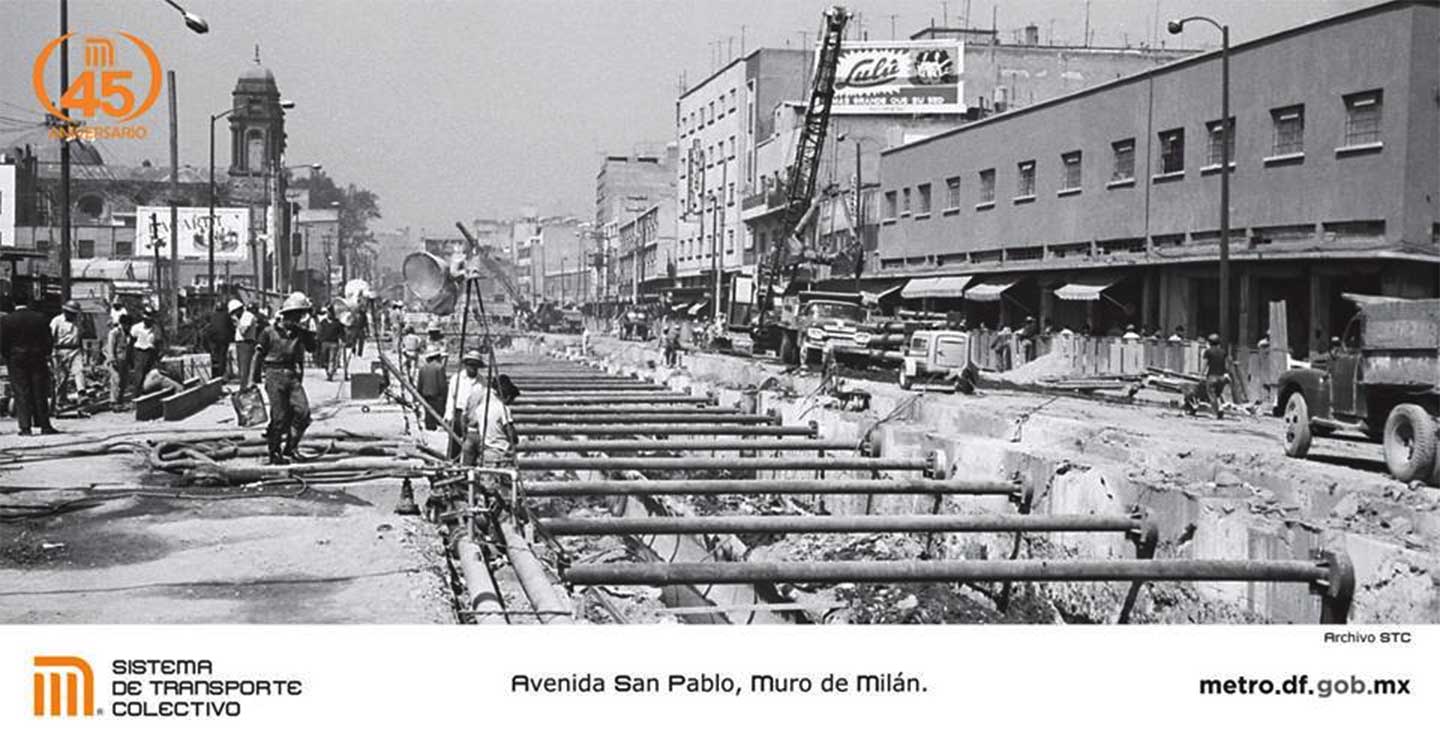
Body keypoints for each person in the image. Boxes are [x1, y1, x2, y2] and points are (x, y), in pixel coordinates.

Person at [252, 292, 318, 464]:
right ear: (286, 315)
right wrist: (253, 378)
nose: (296, 320)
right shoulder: (268, 332)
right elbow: (258, 355)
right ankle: (274, 452)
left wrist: (310, 328)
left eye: (300, 316)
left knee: (303, 413)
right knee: (280, 417)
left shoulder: (299, 332)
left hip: (291, 375)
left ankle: (291, 448)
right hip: (274, 375)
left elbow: (313, 347)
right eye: (295, 316)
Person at [0, 292, 58, 435]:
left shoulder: (7, 320)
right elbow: (48, 340)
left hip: (16, 358)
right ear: (29, 302)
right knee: (39, 390)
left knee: (21, 391)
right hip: (37, 357)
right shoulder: (40, 318)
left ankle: (25, 427)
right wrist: (45, 353)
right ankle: (44, 425)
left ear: (14, 303)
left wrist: (8, 356)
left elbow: (2, 342)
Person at [462, 373, 515, 467]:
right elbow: (510, 432)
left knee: (468, 466)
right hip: (489, 440)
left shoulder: (478, 392)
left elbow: (466, 416)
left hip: (474, 433)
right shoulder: (499, 404)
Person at [444, 349, 485, 460]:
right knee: (454, 445)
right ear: (466, 365)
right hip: (458, 413)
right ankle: (453, 466)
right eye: (470, 364)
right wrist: (449, 416)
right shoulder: (456, 379)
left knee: (472, 445)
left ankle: (470, 468)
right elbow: (450, 398)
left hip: (474, 416)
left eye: (475, 365)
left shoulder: (482, 382)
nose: (472, 367)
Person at [50, 300, 86, 404]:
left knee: (79, 370)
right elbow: (51, 336)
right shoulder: (57, 321)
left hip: (75, 349)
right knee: (61, 377)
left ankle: (81, 393)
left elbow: (80, 336)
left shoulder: (78, 321)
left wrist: (82, 351)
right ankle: (60, 400)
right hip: (60, 350)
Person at [128, 309, 161, 399]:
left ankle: (146, 394)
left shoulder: (156, 329)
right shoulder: (136, 328)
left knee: (149, 375)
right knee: (139, 375)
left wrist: (157, 356)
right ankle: (136, 397)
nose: (148, 322)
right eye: (146, 320)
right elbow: (131, 341)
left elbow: (157, 343)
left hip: (150, 353)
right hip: (139, 352)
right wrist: (130, 356)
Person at [416, 347, 448, 431]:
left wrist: (418, 397)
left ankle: (430, 426)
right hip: (437, 396)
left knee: (428, 414)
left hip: (426, 396)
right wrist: (446, 396)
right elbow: (442, 385)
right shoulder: (439, 367)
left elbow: (420, 383)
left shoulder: (423, 368)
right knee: (438, 415)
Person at [104, 310, 131, 410]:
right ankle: (113, 402)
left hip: (124, 360)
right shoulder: (114, 332)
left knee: (123, 381)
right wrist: (112, 359)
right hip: (115, 359)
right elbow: (111, 347)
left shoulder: (127, 333)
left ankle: (120, 401)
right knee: (116, 380)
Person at [205, 301, 237, 380]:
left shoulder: (213, 315)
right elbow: (231, 327)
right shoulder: (227, 316)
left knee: (215, 354)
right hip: (224, 339)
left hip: (213, 339)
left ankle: (214, 373)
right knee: (222, 356)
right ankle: (221, 374)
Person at [1202, 333, 1230, 420]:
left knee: (1211, 395)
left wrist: (1201, 374)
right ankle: (1220, 409)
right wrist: (1226, 374)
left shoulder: (1208, 351)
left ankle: (1215, 412)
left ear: (1209, 342)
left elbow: (1205, 364)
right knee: (1218, 394)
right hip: (1222, 377)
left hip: (1212, 376)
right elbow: (1227, 365)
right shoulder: (1223, 352)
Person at [315, 305, 345, 381]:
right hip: (324, 343)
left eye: (330, 312)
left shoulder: (337, 323)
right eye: (328, 313)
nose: (329, 314)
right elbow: (319, 332)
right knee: (324, 360)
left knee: (332, 359)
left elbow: (341, 333)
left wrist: (343, 340)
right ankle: (328, 371)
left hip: (334, 343)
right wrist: (318, 339)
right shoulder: (323, 322)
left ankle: (330, 373)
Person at [234, 301, 259, 385]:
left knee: (245, 367)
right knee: (241, 367)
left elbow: (244, 331)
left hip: (245, 343)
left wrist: (237, 322)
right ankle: (243, 385)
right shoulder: (244, 317)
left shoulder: (247, 316)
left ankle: (244, 387)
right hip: (241, 343)